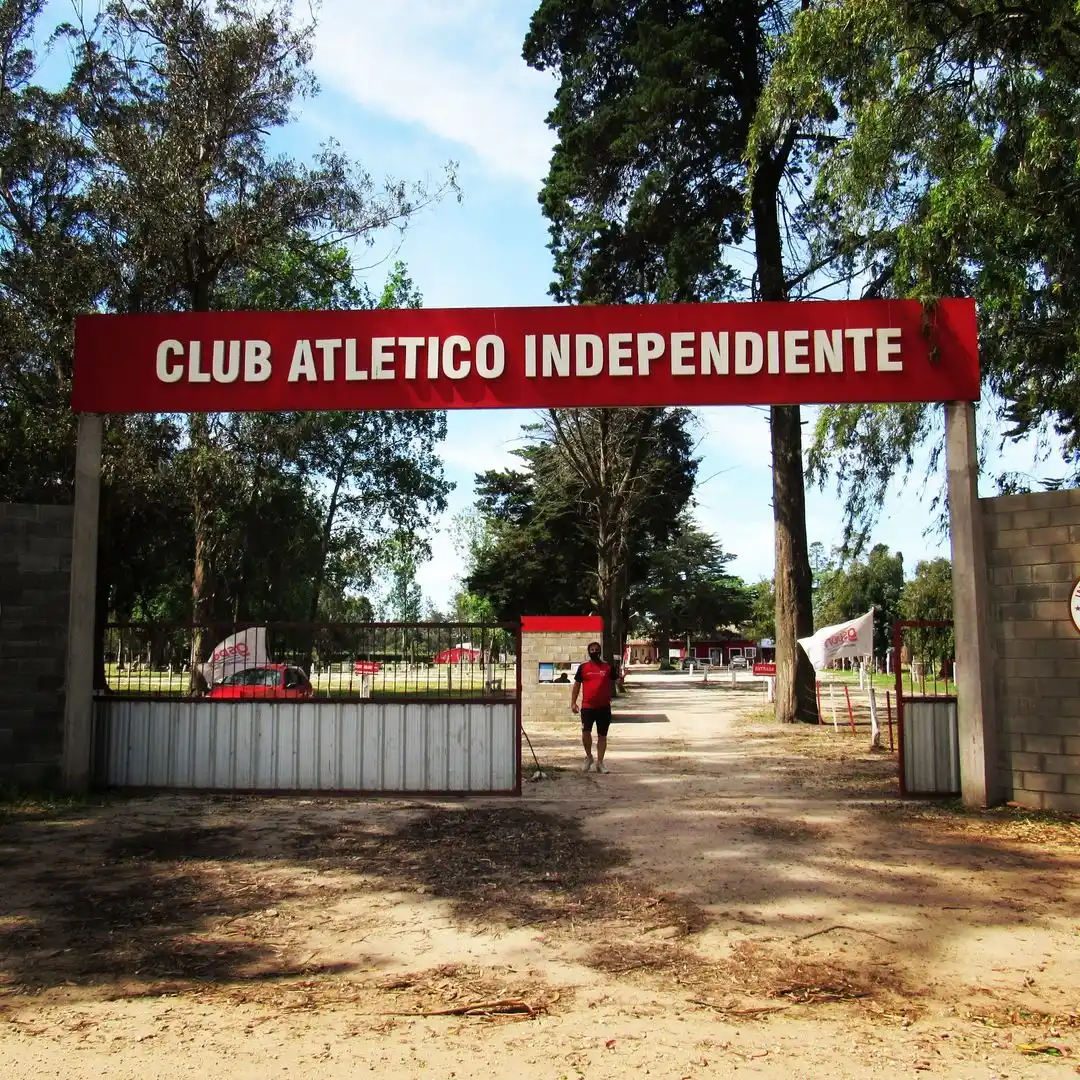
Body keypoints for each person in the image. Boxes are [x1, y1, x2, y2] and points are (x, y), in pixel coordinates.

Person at [570, 641, 623, 773]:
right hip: (588, 707)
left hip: (604, 708)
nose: (594, 651)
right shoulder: (583, 668)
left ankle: (600, 763)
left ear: (600, 652)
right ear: (589, 652)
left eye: (597, 649)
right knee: (585, 733)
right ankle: (589, 757)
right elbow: (576, 685)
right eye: (592, 649)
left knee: (602, 736)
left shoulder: (607, 668)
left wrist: (623, 676)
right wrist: (573, 702)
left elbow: (617, 681)